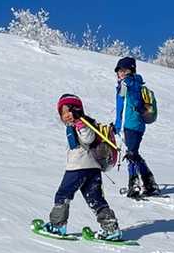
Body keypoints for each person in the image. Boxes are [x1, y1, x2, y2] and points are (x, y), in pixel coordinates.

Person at [40, 94, 122, 239]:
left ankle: (57, 226)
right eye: (63, 113)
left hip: (78, 168)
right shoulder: (78, 125)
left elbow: (88, 138)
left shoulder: (83, 123)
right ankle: (110, 228)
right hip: (92, 168)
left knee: (63, 194)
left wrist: (80, 123)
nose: (66, 115)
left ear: (77, 110)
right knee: (95, 198)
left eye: (69, 111)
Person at [113, 56, 160, 198]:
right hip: (130, 125)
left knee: (131, 154)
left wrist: (138, 106)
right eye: (119, 70)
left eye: (124, 70)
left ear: (131, 71)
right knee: (134, 154)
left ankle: (134, 185)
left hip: (132, 124)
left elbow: (132, 100)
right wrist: (117, 124)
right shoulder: (127, 84)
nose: (121, 73)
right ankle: (149, 183)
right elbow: (122, 106)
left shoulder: (129, 83)